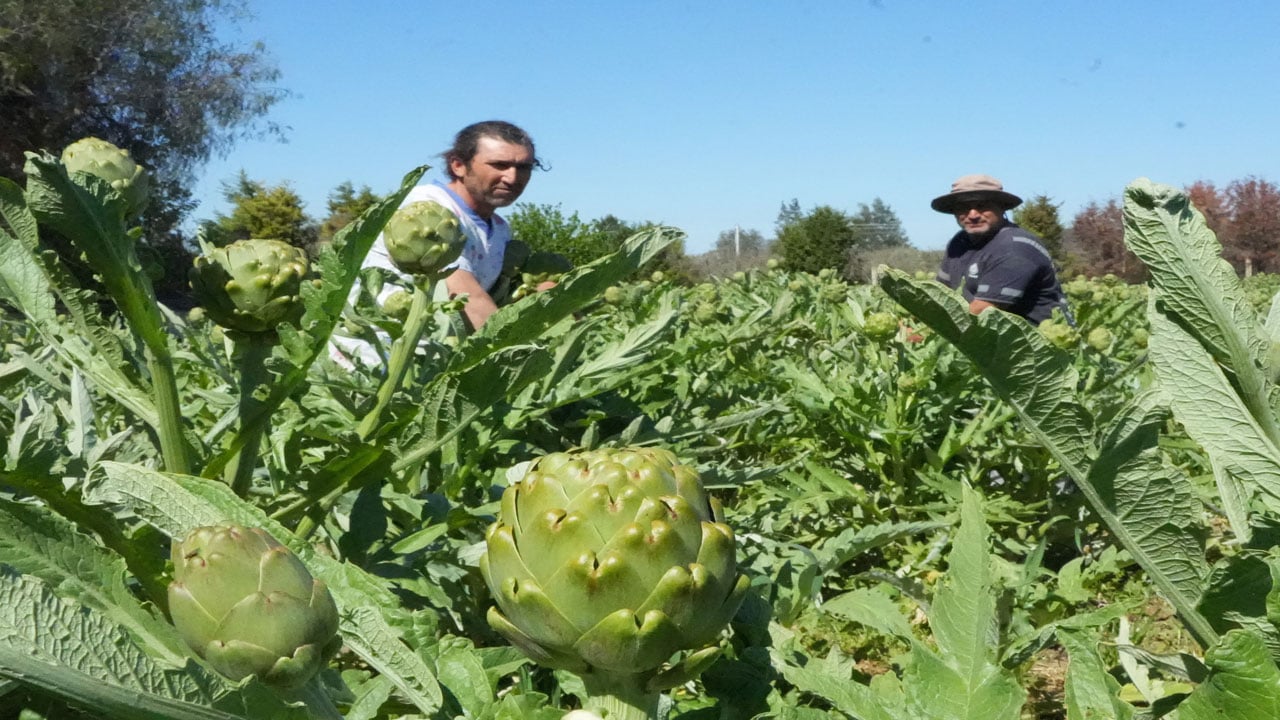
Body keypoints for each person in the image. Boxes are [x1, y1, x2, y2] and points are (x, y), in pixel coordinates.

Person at [365, 120, 545, 330]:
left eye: (524, 167)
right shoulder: (426, 210)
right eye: (499, 165)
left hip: (434, 355)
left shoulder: (500, 229)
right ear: (458, 165)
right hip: (375, 352)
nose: (512, 177)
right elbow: (465, 295)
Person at [932, 174, 1071, 325]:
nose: (972, 215)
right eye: (963, 208)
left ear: (1001, 207)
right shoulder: (959, 243)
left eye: (982, 206)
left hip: (1039, 342)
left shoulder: (1015, 246)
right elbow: (940, 294)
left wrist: (929, 331)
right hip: (984, 339)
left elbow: (982, 310)